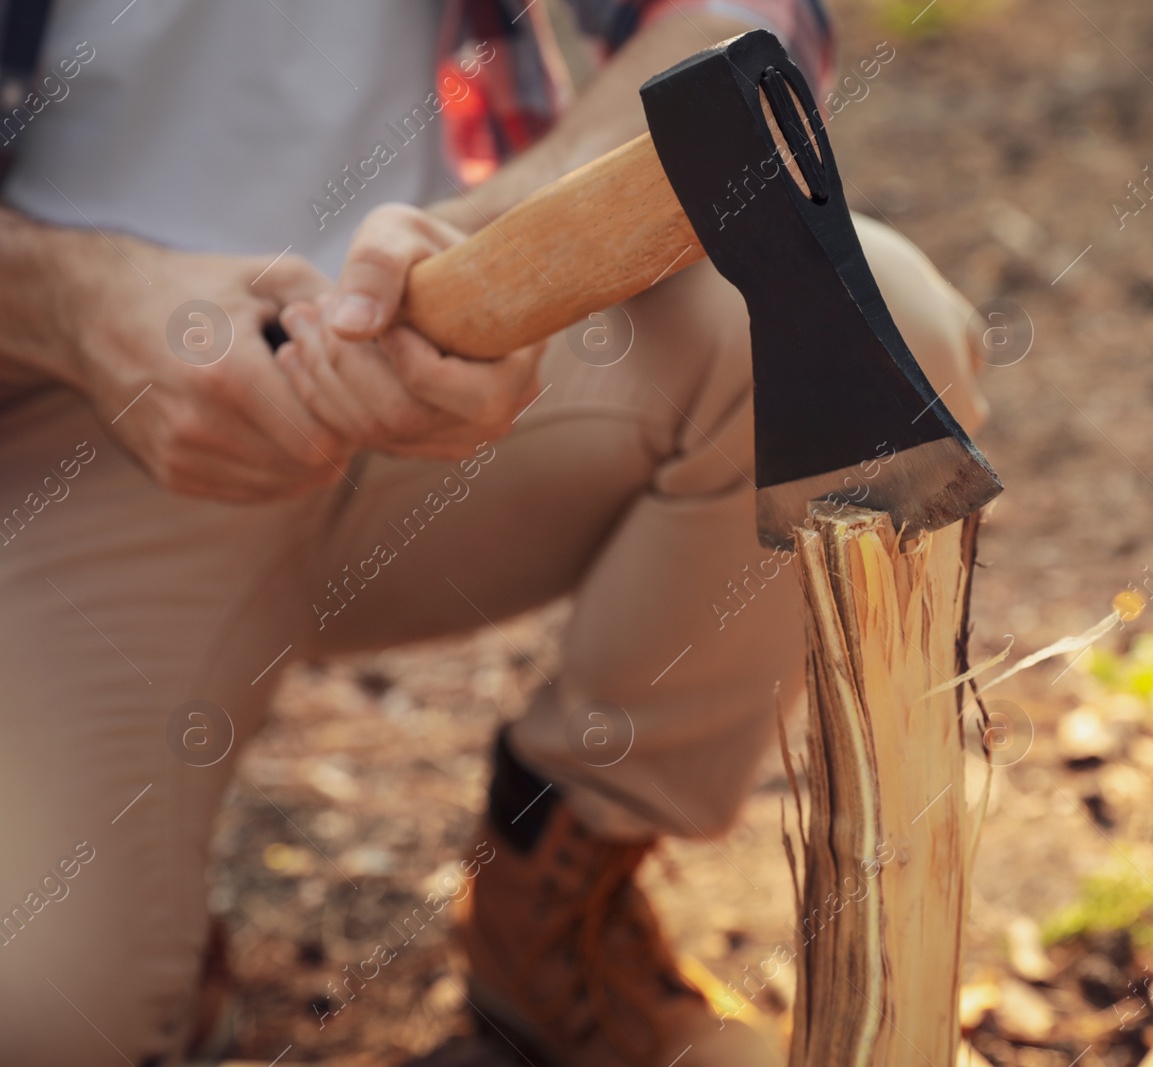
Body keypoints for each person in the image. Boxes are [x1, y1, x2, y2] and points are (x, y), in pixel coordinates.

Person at [0, 1, 986, 1064]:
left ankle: (558, 906)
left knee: (897, 323)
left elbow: (727, 21)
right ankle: (128, 911)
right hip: (64, 414)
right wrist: (73, 303)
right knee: (44, 1014)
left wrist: (494, 239)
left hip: (441, 321)